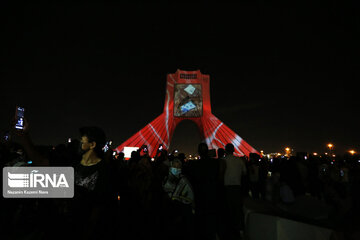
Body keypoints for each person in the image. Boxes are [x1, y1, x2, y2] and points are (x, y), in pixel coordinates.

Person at [162, 158, 195, 240]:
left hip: (181, 212)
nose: (176, 169)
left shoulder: (184, 181)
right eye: (174, 167)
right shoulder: (165, 179)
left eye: (178, 167)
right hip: (168, 211)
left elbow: (189, 196)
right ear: (170, 167)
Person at [221, 143, 247, 240]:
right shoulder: (239, 160)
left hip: (226, 188)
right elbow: (244, 173)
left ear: (225, 151)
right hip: (237, 188)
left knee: (227, 209)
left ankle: (228, 231)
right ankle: (239, 230)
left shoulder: (223, 160)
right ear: (234, 150)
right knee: (237, 210)